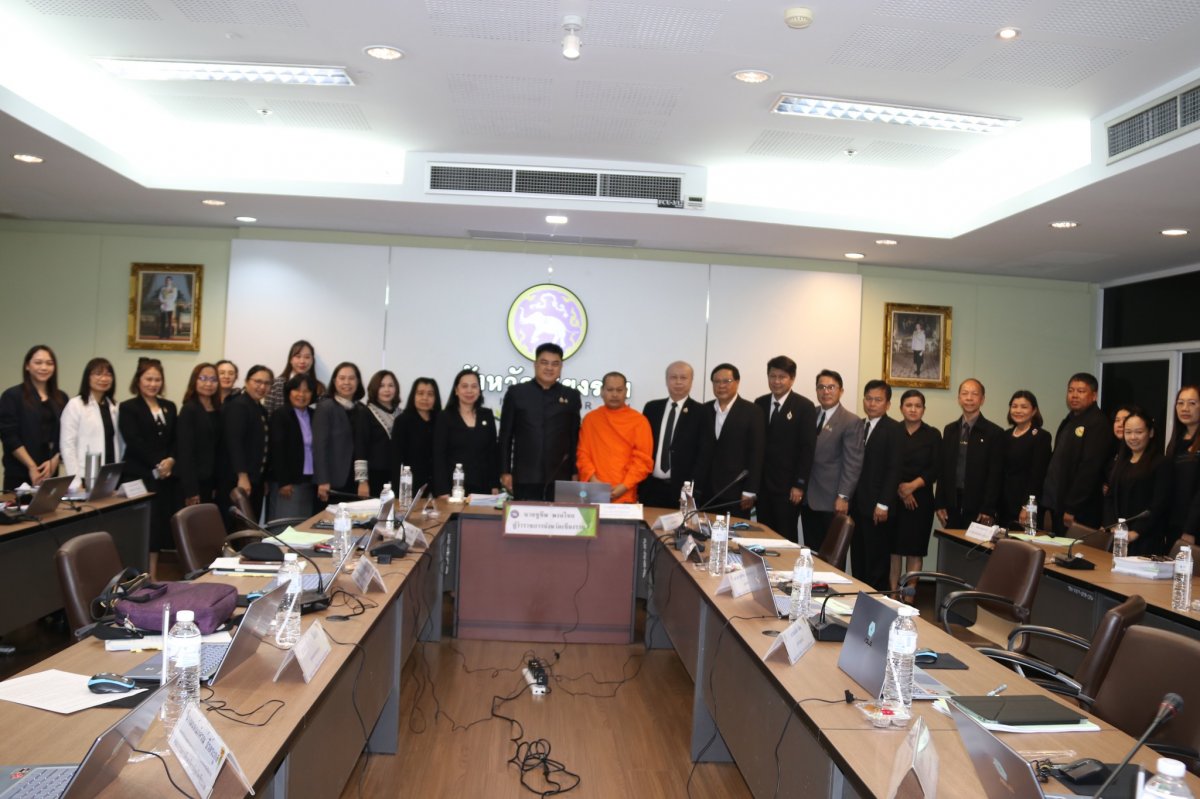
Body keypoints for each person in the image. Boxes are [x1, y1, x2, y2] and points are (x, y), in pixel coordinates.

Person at [498, 343, 582, 501]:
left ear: (561, 367)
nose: (549, 368)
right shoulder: (516, 393)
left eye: (555, 364)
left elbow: (574, 438)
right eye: (544, 362)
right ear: (535, 364)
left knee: (559, 517)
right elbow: (505, 436)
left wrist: (574, 472)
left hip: (560, 477)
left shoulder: (571, 396)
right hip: (525, 476)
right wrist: (505, 471)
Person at [118, 357, 177, 574]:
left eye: (157, 379)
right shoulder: (128, 407)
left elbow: (175, 439)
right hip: (138, 476)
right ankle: (135, 573)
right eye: (148, 379)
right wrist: (157, 463)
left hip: (164, 477)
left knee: (158, 525)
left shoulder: (169, 406)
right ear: (138, 380)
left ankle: (152, 572)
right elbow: (134, 441)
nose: (153, 384)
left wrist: (171, 460)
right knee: (140, 526)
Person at [753, 355, 817, 542]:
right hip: (763, 486)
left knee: (785, 536)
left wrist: (799, 485)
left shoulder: (804, 406)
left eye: (782, 377)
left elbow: (807, 449)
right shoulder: (760, 403)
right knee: (763, 535)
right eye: (772, 376)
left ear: (792, 378)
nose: (776, 381)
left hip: (788, 488)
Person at [800, 369, 863, 551]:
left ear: (841, 391)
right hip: (807, 498)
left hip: (832, 501)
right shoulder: (810, 414)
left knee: (831, 555)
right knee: (812, 552)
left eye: (831, 387)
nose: (825, 391)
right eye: (821, 387)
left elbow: (853, 463)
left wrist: (843, 496)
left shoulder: (851, 421)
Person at [849, 380, 903, 591]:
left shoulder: (895, 429)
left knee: (877, 560)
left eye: (878, 400)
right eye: (869, 399)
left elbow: (894, 469)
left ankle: (876, 601)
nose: (872, 404)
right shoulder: (858, 425)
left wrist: (884, 504)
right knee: (858, 557)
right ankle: (857, 596)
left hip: (878, 507)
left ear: (887, 404)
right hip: (856, 504)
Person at [1043, 372, 1112, 533]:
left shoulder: (1098, 423)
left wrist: (1072, 507)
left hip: (1079, 510)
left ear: (1094, 396)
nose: (1074, 395)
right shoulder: (1069, 420)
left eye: (1080, 391)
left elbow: (1089, 469)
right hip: (1059, 504)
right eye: (1071, 390)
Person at [935, 378, 1003, 530]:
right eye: (965, 393)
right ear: (959, 398)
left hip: (979, 508)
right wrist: (939, 503)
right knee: (950, 544)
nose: (969, 398)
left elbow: (995, 474)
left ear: (982, 399)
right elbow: (943, 469)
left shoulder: (994, 433)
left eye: (974, 394)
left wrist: (988, 508)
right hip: (951, 504)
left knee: (975, 546)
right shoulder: (950, 430)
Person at [696, 363, 764, 516]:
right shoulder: (703, 410)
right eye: (716, 381)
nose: (721, 386)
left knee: (734, 530)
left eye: (726, 381)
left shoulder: (753, 412)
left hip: (736, 492)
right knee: (705, 529)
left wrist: (750, 490)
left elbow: (757, 453)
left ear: (737, 382)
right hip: (706, 492)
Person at [576, 372, 654, 504]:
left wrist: (624, 486)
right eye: (610, 390)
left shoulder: (639, 421)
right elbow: (582, 454)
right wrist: (594, 481)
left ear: (626, 392)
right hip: (593, 491)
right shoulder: (591, 419)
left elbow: (643, 460)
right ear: (602, 392)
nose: (614, 394)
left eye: (619, 390)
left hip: (625, 494)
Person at [892, 389, 941, 593]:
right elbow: (886, 464)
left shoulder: (933, 434)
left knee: (915, 550)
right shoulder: (893, 431)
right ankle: (893, 595)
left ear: (924, 409)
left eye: (918, 406)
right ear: (901, 408)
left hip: (921, 499)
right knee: (893, 550)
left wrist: (912, 486)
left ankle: (909, 597)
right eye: (909, 405)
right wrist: (901, 488)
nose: (913, 409)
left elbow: (935, 468)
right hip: (894, 497)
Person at [1, 345, 68, 490]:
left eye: (49, 363)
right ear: (27, 366)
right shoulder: (12, 396)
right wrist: (32, 466)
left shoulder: (61, 398)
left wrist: (54, 461)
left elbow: (65, 435)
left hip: (50, 472)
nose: (44, 367)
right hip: (19, 473)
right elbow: (9, 436)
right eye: (38, 362)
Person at [640, 361, 704, 509]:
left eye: (683, 377)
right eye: (673, 377)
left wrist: (691, 489)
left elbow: (703, 454)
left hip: (683, 490)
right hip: (651, 487)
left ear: (691, 381)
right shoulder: (651, 408)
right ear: (666, 380)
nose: (678, 382)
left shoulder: (701, 412)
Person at [1103, 407, 1165, 555]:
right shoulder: (1121, 462)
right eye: (1128, 432)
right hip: (1119, 537)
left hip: (1146, 539)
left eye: (1139, 432)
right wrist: (1111, 525)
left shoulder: (1160, 463)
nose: (1133, 437)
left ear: (1150, 432)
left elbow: (1160, 503)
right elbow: (1110, 497)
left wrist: (1137, 531)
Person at [433, 369, 499, 498]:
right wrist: (442, 490)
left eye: (474, 386)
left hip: (483, 487)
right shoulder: (445, 417)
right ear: (456, 390)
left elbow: (492, 453)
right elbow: (439, 455)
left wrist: (494, 484)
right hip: (454, 486)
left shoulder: (487, 415)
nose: (469, 390)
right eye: (464, 386)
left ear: (479, 390)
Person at [59, 357, 122, 492]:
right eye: (98, 374)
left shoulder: (115, 407)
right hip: (85, 476)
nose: (104, 378)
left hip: (110, 476)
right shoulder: (75, 405)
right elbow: (67, 445)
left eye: (108, 374)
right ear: (87, 377)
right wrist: (75, 481)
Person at [312, 362, 370, 502]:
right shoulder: (326, 407)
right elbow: (319, 447)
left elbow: (362, 447)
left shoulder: (361, 409)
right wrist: (323, 480)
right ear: (334, 381)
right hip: (331, 482)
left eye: (351, 378)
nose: (347, 382)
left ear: (358, 382)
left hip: (355, 480)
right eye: (342, 378)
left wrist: (363, 480)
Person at [221, 364, 272, 520]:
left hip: (255, 480)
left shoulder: (260, 409)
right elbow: (234, 443)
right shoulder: (239, 405)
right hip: (238, 480)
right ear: (246, 381)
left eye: (267, 383)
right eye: (258, 381)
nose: (262, 387)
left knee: (251, 523)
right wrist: (242, 476)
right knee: (238, 525)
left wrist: (263, 479)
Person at [998, 390, 1053, 529]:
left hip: (1026, 506)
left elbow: (1037, 476)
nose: (1018, 410)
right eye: (1014, 406)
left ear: (1034, 411)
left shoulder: (1041, 437)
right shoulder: (1005, 435)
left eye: (1024, 407)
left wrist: (1027, 506)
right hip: (1003, 504)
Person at [269, 372, 317, 519]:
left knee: (304, 524)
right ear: (289, 391)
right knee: (285, 524)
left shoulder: (314, 414)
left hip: (309, 480)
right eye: (297, 390)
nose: (301, 395)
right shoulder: (281, 414)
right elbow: (277, 450)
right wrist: (284, 482)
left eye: (306, 391)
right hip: (288, 482)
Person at [176, 363, 221, 507]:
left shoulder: (218, 409)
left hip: (211, 480)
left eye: (213, 379)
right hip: (194, 482)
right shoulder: (189, 409)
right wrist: (191, 491)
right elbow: (185, 452)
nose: (208, 384)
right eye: (203, 378)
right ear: (194, 381)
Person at [1163, 386, 1200, 548]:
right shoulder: (1175, 442)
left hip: (1194, 527)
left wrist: (1190, 529)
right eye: (1180, 403)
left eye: (1192, 403)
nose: (1185, 408)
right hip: (1174, 523)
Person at [396, 377, 441, 495]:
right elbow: (396, 459)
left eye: (430, 394)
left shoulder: (440, 421)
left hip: (438, 486)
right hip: (410, 486)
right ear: (413, 396)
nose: (425, 398)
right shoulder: (402, 421)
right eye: (420, 393)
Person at [363, 369, 402, 496]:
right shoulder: (366, 413)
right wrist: (362, 481)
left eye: (391, 385)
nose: (387, 390)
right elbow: (361, 448)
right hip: (374, 476)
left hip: (398, 476)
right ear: (374, 388)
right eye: (381, 386)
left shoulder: (402, 414)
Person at [266, 339, 324, 413]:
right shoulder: (276, 384)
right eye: (298, 356)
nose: (302, 361)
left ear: (312, 361)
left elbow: (320, 416)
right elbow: (267, 413)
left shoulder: (319, 388)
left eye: (307, 357)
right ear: (290, 360)